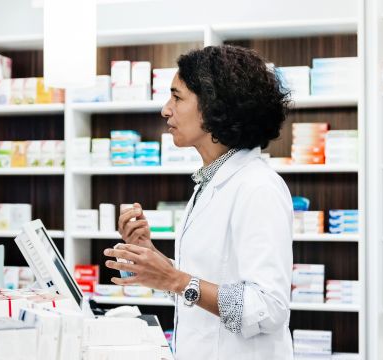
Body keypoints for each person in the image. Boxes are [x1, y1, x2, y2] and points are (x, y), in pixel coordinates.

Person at [104, 45, 294, 359]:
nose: (166, 110)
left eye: (177, 97)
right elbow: (203, 284)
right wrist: (152, 259)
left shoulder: (258, 187)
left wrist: (175, 279)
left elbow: (268, 308)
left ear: (215, 106)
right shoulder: (211, 183)